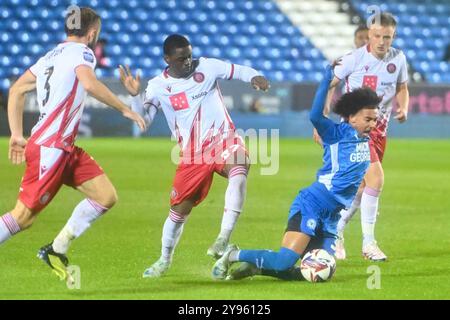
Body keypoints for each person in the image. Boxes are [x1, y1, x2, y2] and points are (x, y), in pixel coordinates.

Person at [0, 7, 146, 281]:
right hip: (51, 148)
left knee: (105, 196)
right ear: (92, 33)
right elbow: (89, 85)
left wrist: (17, 134)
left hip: (62, 148)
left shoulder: (50, 56)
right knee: (22, 218)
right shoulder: (84, 53)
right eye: (97, 33)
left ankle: (56, 249)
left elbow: (17, 88)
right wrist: (125, 108)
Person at [119, 34, 270, 278]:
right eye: (181, 59)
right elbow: (143, 121)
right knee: (179, 212)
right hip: (193, 155)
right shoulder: (158, 86)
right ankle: (164, 260)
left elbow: (237, 70)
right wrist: (135, 96)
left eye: (189, 56)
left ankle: (223, 239)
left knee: (240, 166)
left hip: (223, 140)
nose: (188, 62)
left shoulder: (207, 67)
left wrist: (254, 76)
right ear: (167, 59)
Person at [211, 64, 380, 281]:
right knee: (285, 261)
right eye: (368, 119)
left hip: (332, 216)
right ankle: (232, 254)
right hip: (313, 204)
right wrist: (326, 81)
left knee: (319, 273)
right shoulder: (337, 133)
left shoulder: (365, 141)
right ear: (352, 117)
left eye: (375, 119)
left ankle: (259, 268)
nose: (373, 124)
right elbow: (316, 117)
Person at [329, 12, 409, 261]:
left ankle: (336, 230)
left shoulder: (399, 58)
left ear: (393, 35)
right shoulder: (353, 59)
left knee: (362, 189)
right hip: (354, 131)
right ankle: (369, 243)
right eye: (377, 36)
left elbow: (402, 87)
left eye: (387, 36)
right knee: (376, 179)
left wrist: (403, 107)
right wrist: (319, 120)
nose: (382, 41)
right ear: (369, 35)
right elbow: (329, 84)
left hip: (380, 131)